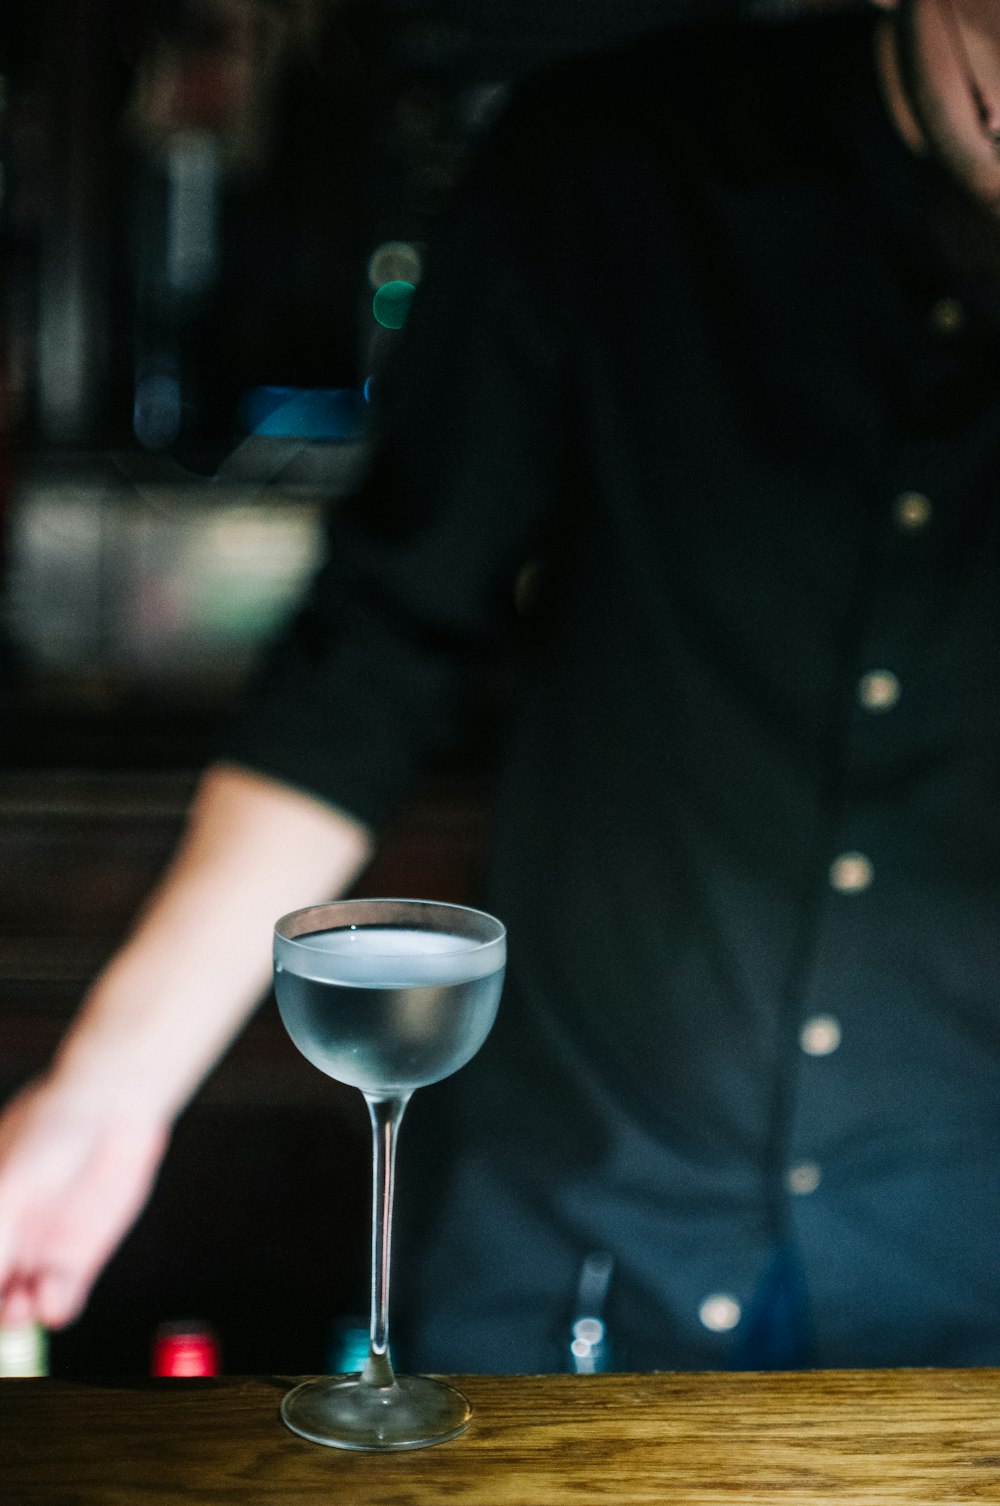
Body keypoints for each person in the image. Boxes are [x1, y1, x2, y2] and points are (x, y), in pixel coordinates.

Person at [1, 0, 998, 1371]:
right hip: (576, 1232)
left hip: (962, 1277)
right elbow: (375, 652)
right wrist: (103, 1095)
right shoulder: (610, 164)